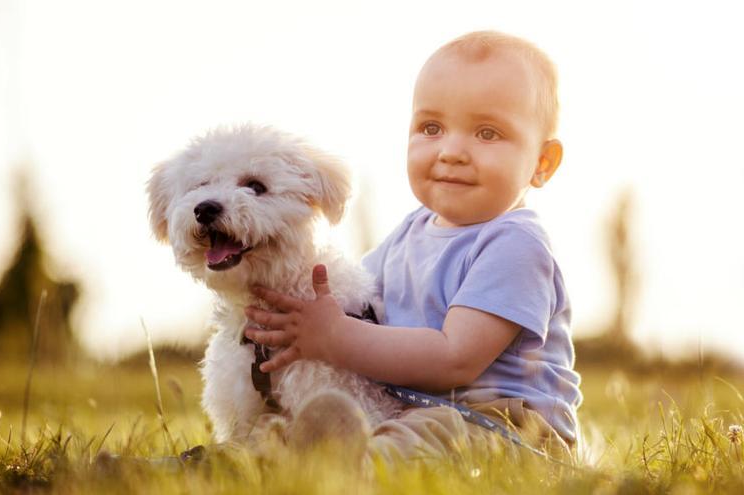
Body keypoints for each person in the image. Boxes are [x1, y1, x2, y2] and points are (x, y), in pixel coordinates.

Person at [243, 30, 583, 461]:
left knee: (424, 436)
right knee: (285, 430)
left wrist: (335, 337)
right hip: (414, 414)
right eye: (431, 127)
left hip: (509, 428)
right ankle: (227, 463)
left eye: (488, 133)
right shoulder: (410, 233)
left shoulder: (515, 244)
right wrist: (293, 299)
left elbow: (453, 359)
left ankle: (355, 464)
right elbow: (355, 302)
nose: (452, 151)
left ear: (542, 163)